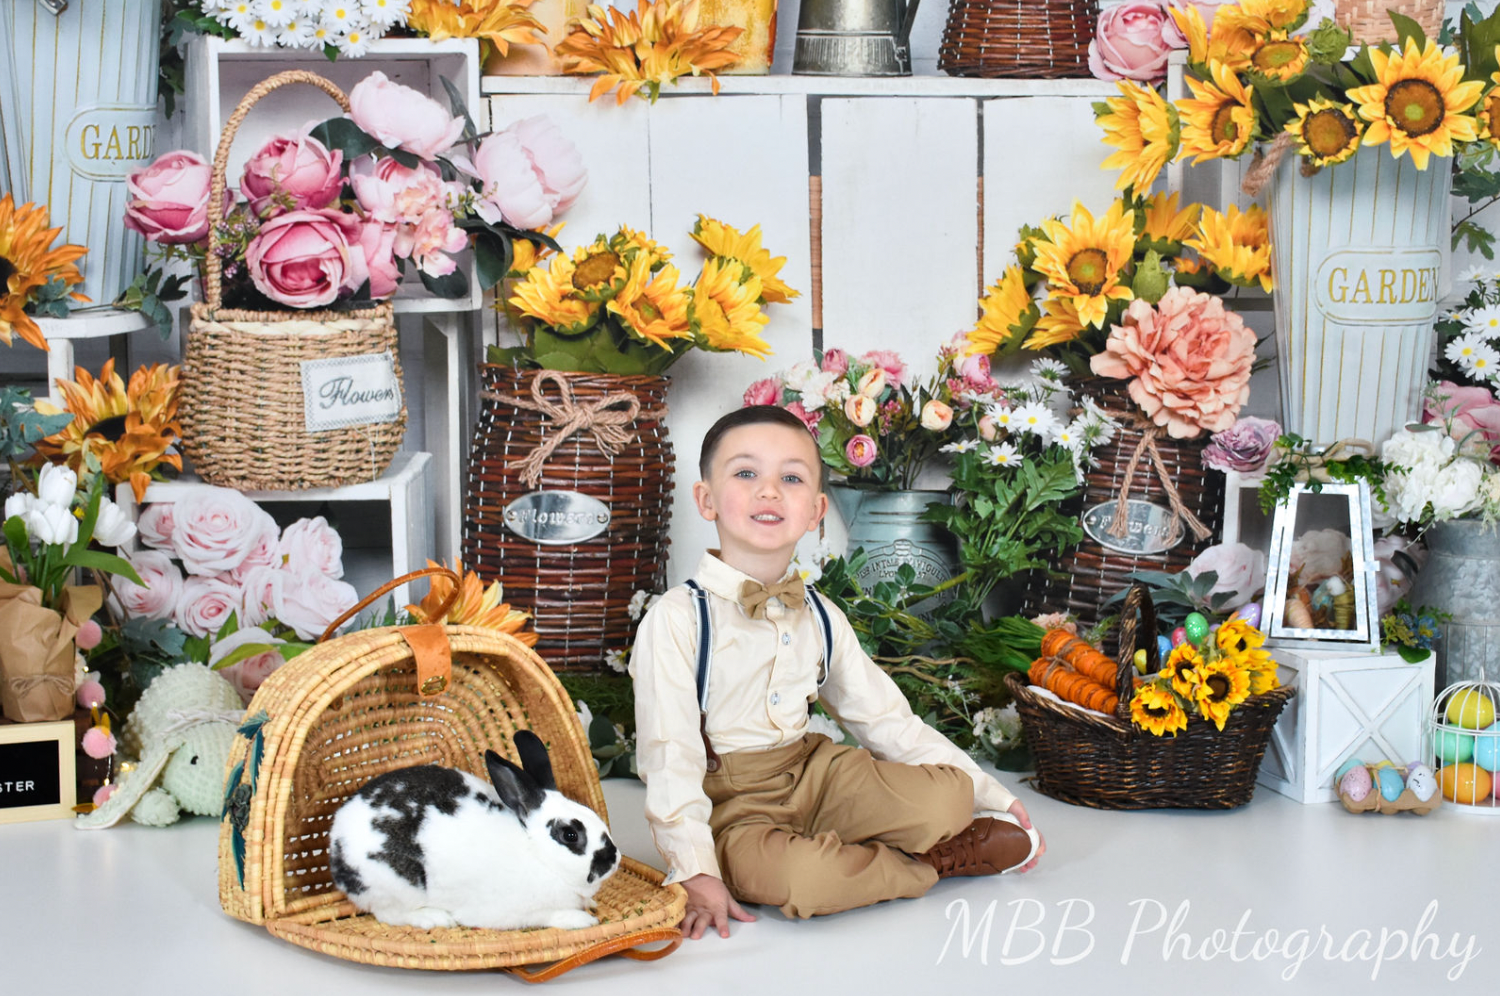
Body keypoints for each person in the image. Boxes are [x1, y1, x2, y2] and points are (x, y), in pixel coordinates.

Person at [630, 405, 1045, 941]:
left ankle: (876, 846)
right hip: (732, 804)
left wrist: (989, 793)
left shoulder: (823, 614)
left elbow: (885, 719)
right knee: (806, 883)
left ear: (816, 511)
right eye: (746, 473)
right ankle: (930, 865)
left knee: (948, 797)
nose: (770, 491)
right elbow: (670, 755)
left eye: (792, 478)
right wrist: (695, 869)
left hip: (815, 774)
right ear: (706, 499)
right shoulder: (678, 618)